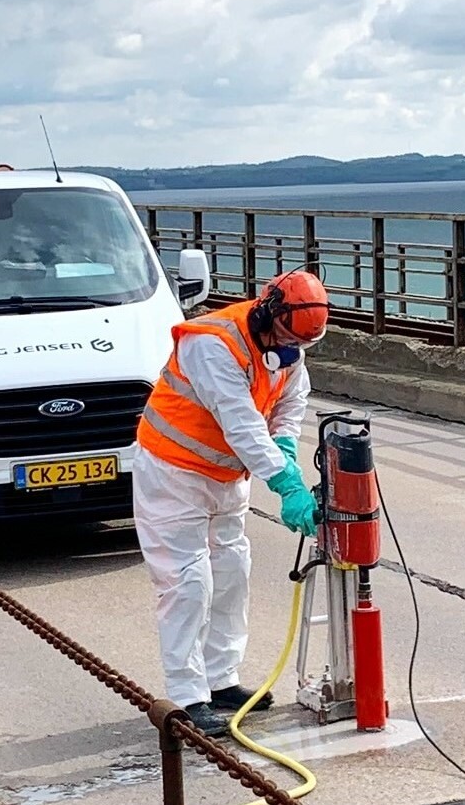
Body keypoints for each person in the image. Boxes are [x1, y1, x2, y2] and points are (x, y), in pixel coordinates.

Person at [131, 269, 331, 735]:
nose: (289, 351)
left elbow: (286, 410)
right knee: (187, 582)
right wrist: (285, 484)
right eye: (284, 338)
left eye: (300, 345)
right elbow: (240, 423)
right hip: (172, 472)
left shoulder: (290, 354)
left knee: (231, 573)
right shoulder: (212, 344)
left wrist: (286, 455)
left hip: (225, 476)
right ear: (267, 313)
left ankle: (221, 680)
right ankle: (186, 697)